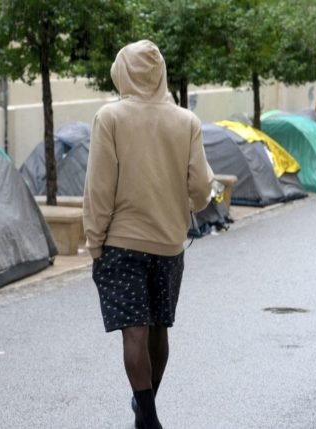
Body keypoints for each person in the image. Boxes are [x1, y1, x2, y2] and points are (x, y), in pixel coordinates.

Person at [83, 40, 213, 429]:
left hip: (121, 243)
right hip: (169, 244)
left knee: (133, 333)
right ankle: (147, 411)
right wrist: (184, 204)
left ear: (122, 72)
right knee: (159, 327)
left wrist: (94, 240)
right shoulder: (186, 121)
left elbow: (99, 188)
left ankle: (148, 417)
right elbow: (201, 190)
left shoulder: (110, 117)